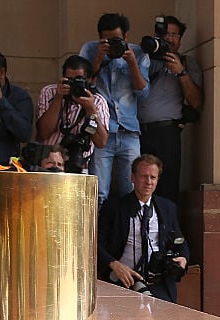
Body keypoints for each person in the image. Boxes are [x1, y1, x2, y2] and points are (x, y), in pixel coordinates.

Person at [97, 154, 189, 302]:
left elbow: (181, 241)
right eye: (143, 176)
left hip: (159, 282)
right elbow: (96, 243)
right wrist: (114, 264)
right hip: (125, 280)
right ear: (132, 177)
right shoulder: (114, 207)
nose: (148, 182)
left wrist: (184, 258)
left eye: (153, 177)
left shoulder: (168, 208)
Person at [79, 13, 150, 204]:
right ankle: (98, 234)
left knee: (132, 191)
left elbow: (143, 92)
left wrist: (132, 63)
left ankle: (129, 233)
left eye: (116, 40)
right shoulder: (90, 49)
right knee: (99, 193)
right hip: (102, 130)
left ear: (126, 36)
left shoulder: (138, 53)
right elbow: (84, 87)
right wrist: (99, 58)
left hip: (129, 131)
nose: (111, 44)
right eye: (106, 40)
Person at [138, 15, 203, 204]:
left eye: (175, 35)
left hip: (167, 133)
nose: (170, 39)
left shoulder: (187, 63)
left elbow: (196, 101)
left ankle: (167, 230)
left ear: (181, 40)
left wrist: (180, 72)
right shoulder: (144, 59)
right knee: (139, 184)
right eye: (166, 34)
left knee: (167, 185)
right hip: (138, 131)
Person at [35, 55, 110, 173]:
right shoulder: (50, 92)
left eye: (79, 80)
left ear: (89, 80)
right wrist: (58, 98)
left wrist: (91, 109)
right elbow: (43, 132)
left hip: (78, 164)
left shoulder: (98, 101)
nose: (74, 85)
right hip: (49, 163)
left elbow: (101, 142)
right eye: (70, 80)